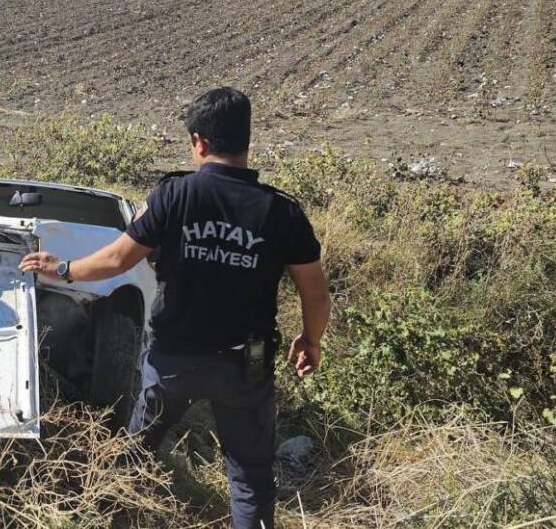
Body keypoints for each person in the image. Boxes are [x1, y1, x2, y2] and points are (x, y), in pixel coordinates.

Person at [18, 87, 330, 529]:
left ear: (199, 141)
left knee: (134, 456)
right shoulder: (282, 213)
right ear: (246, 141)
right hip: (246, 365)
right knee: (249, 478)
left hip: (172, 361)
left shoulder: (174, 195)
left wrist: (61, 268)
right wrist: (310, 339)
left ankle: (112, 518)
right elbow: (315, 293)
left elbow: (117, 260)